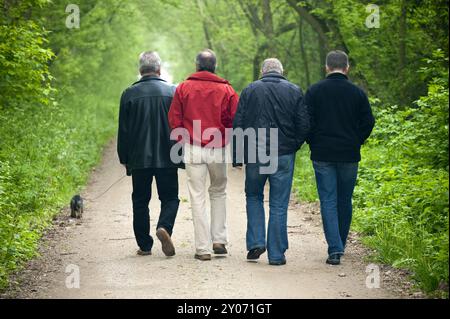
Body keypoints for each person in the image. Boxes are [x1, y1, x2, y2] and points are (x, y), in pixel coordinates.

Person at [233, 58, 310, 266]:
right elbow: (304, 124)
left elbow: (238, 123)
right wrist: (293, 145)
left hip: (256, 153)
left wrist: (238, 156)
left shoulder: (250, 90)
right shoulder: (294, 90)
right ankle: (276, 255)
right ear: (281, 71)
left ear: (262, 71)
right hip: (283, 153)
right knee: (279, 203)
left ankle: (257, 242)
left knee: (254, 196)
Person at [305, 50, 375, 265]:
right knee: (345, 200)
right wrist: (356, 140)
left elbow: (305, 121)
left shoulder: (314, 91)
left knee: (328, 200)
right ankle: (339, 244)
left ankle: (335, 248)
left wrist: (313, 141)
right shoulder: (357, 93)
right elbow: (368, 122)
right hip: (349, 154)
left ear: (327, 67)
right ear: (347, 68)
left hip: (322, 153)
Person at [168, 49, 239, 261]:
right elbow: (234, 119)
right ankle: (219, 239)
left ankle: (203, 249)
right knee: (218, 191)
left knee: (197, 196)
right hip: (217, 146)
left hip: (193, 146)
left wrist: (184, 140)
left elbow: (174, 119)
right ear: (215, 66)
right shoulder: (227, 90)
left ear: (197, 66)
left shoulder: (183, 88)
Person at [118, 51, 180, 257]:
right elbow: (179, 126)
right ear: (159, 69)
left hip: (139, 158)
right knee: (170, 198)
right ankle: (164, 227)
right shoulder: (172, 92)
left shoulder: (129, 94)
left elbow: (124, 130)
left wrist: (124, 158)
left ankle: (145, 245)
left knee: (140, 200)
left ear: (140, 70)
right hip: (168, 156)